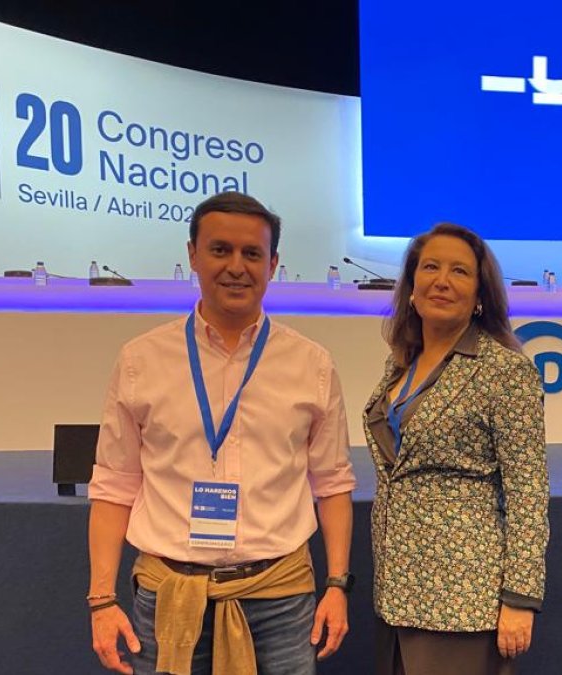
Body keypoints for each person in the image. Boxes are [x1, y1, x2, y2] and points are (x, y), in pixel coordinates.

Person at [86, 191, 356, 675]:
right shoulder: (140, 361)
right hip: (168, 596)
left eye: (252, 253)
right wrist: (101, 600)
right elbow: (113, 486)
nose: (237, 266)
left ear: (273, 264)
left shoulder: (311, 365)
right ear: (192, 254)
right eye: (220, 250)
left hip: (279, 597)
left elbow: (332, 483)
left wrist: (337, 585)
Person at [362, 223, 549, 675]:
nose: (441, 280)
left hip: (464, 600)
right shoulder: (400, 363)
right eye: (430, 267)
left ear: (480, 294)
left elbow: (528, 492)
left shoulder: (505, 371)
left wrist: (520, 600)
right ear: (411, 286)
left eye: (460, 271)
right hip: (397, 592)